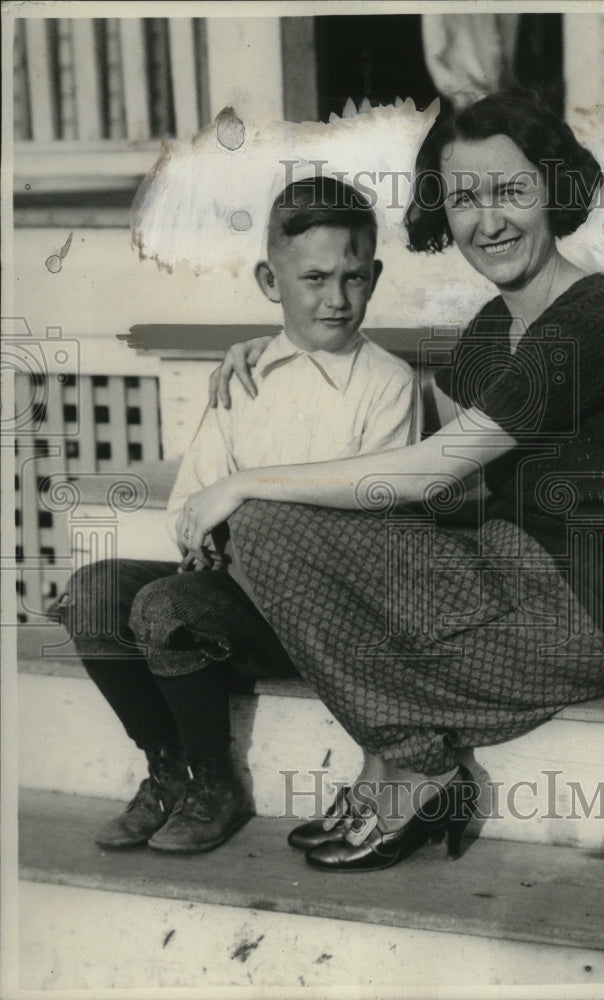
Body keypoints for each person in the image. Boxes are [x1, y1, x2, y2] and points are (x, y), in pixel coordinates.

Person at [199, 90, 604, 872]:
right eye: (463, 198)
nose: (486, 221)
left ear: (556, 188)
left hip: (585, 612)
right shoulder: (495, 329)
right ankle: (404, 759)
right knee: (272, 526)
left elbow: (429, 469)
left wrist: (240, 481)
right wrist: (271, 350)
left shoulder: (592, 323)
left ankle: (410, 765)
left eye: (510, 191)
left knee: (258, 514)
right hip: (504, 571)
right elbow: (426, 467)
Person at [52, 176, 421, 854]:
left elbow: (372, 517)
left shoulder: (388, 384)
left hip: (318, 614)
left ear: (375, 274)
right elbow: (190, 503)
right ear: (268, 279)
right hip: (230, 599)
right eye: (313, 277)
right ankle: (170, 769)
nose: (336, 299)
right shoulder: (246, 378)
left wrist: (243, 505)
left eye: (354, 277)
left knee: (168, 604)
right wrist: (201, 537)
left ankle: (216, 785)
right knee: (94, 591)